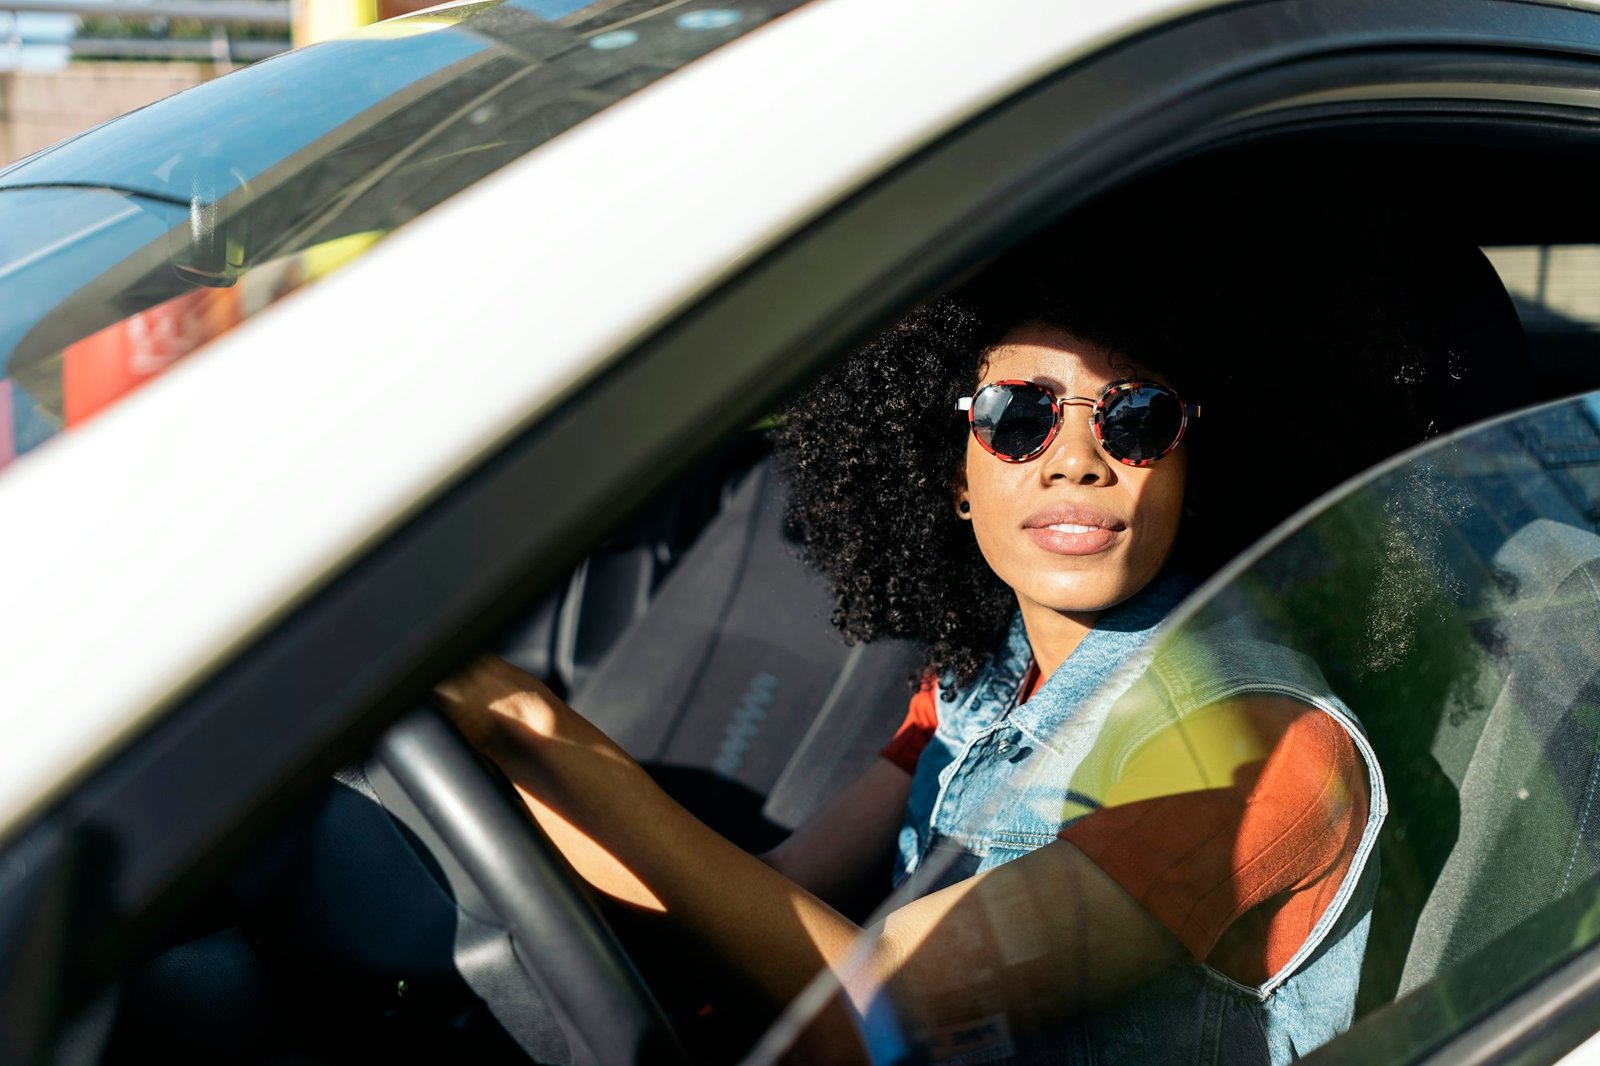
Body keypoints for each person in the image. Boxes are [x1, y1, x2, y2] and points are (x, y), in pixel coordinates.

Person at [434, 172, 1464, 1063]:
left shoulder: (1256, 753)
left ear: (1196, 467)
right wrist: (500, 776)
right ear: (953, 476)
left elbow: (875, 1009)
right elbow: (777, 891)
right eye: (1018, 417)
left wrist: (531, 726)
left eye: (1135, 418)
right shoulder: (984, 672)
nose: (1075, 458)